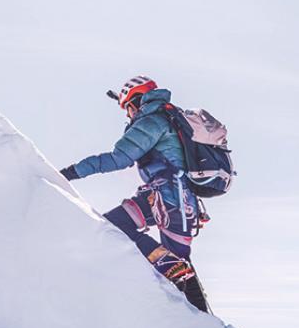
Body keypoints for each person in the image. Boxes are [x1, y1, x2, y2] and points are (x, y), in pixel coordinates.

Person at [60, 76, 209, 312]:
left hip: (170, 198)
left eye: (127, 108)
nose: (127, 115)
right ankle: (204, 322)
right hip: (168, 197)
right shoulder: (167, 118)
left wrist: (71, 172)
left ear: (134, 102)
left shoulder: (152, 120)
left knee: (179, 268)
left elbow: (119, 158)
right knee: (112, 226)